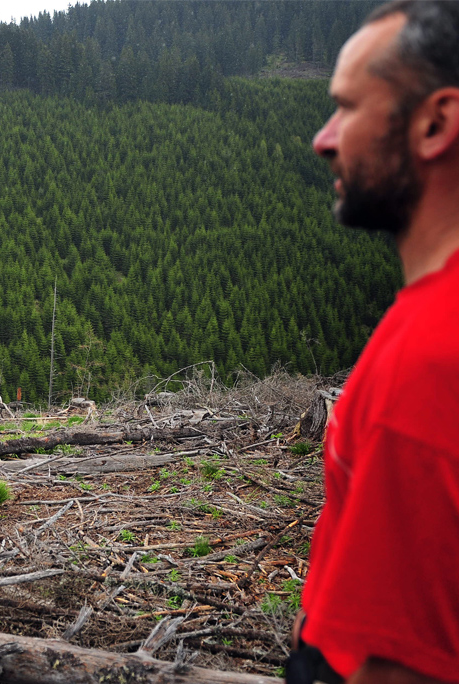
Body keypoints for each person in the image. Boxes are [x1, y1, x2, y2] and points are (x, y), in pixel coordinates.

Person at [289, 1, 459, 683]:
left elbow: (404, 666)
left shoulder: (428, 359)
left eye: (347, 108)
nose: (323, 139)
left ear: (434, 123)